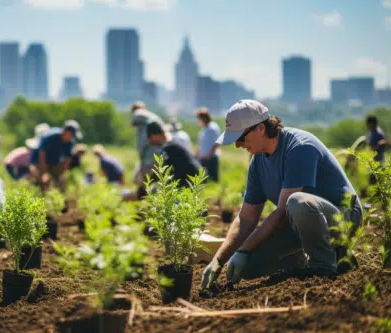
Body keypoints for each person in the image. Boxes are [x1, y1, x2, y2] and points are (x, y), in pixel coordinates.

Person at [201, 100, 363, 290]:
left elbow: (281, 212)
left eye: (241, 138)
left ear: (260, 128)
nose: (237, 145)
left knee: (297, 202)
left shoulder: (299, 148)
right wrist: (219, 260)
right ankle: (297, 262)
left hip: (342, 217)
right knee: (249, 267)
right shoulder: (257, 163)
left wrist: (243, 248)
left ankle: (325, 265)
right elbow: (246, 218)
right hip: (299, 222)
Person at [146, 121, 202, 188]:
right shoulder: (171, 144)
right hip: (196, 179)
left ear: (155, 135)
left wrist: (147, 184)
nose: (150, 141)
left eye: (150, 137)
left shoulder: (168, 148)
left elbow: (162, 171)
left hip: (193, 182)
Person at [31, 120, 82, 191]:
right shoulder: (51, 136)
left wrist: (62, 173)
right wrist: (43, 172)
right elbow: (42, 153)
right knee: (41, 182)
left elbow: (68, 158)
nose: (72, 138)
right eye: (71, 135)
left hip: (54, 161)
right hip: (40, 161)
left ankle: (58, 197)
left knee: (61, 182)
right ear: (65, 132)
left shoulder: (69, 142)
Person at [131, 102, 164, 182]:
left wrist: (141, 158)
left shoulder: (142, 124)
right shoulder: (153, 119)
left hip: (148, 160)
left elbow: (142, 143)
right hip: (160, 156)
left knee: (146, 184)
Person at [195, 107, 221, 182]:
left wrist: (209, 154)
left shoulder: (212, 128)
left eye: (199, 119)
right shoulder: (204, 128)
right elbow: (202, 144)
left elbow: (217, 142)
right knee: (203, 179)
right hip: (203, 158)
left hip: (211, 158)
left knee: (213, 179)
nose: (198, 121)